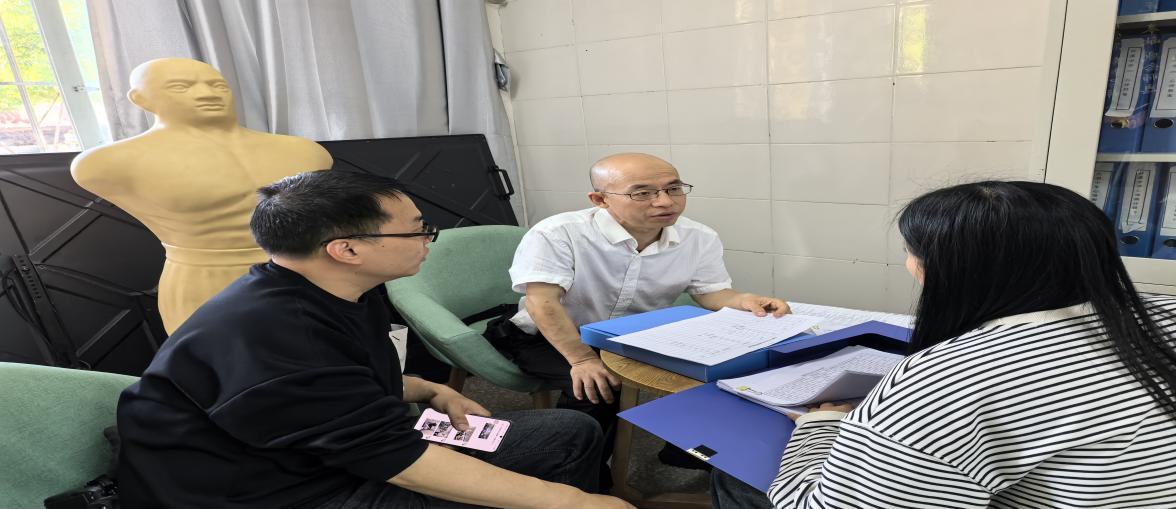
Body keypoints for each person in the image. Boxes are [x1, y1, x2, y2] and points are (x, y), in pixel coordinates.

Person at [116, 170, 633, 509]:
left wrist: (429, 389)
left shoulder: (332, 290)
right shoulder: (279, 334)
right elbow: (398, 462)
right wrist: (573, 502)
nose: (428, 240)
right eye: (416, 230)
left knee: (570, 431)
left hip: (330, 449)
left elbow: (341, 385)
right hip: (275, 491)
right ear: (346, 249)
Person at [711, 181, 1176, 508]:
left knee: (732, 473)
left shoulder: (949, 378)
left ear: (953, 269)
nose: (908, 262)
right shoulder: (1163, 313)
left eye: (912, 251)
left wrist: (821, 426)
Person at [487, 152, 791, 475]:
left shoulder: (699, 237)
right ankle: (587, 480)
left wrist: (746, 300)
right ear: (600, 200)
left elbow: (710, 292)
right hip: (549, 334)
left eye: (673, 189)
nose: (665, 201)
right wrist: (582, 359)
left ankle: (686, 451)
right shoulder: (558, 233)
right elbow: (542, 304)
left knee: (725, 369)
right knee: (599, 388)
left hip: (633, 336)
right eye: (643, 193)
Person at [71, 57, 333, 334]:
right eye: (181, 87)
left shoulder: (305, 151)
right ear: (140, 99)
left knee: (326, 354)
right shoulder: (104, 163)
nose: (207, 93)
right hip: (205, 282)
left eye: (218, 86)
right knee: (219, 358)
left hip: (308, 274)